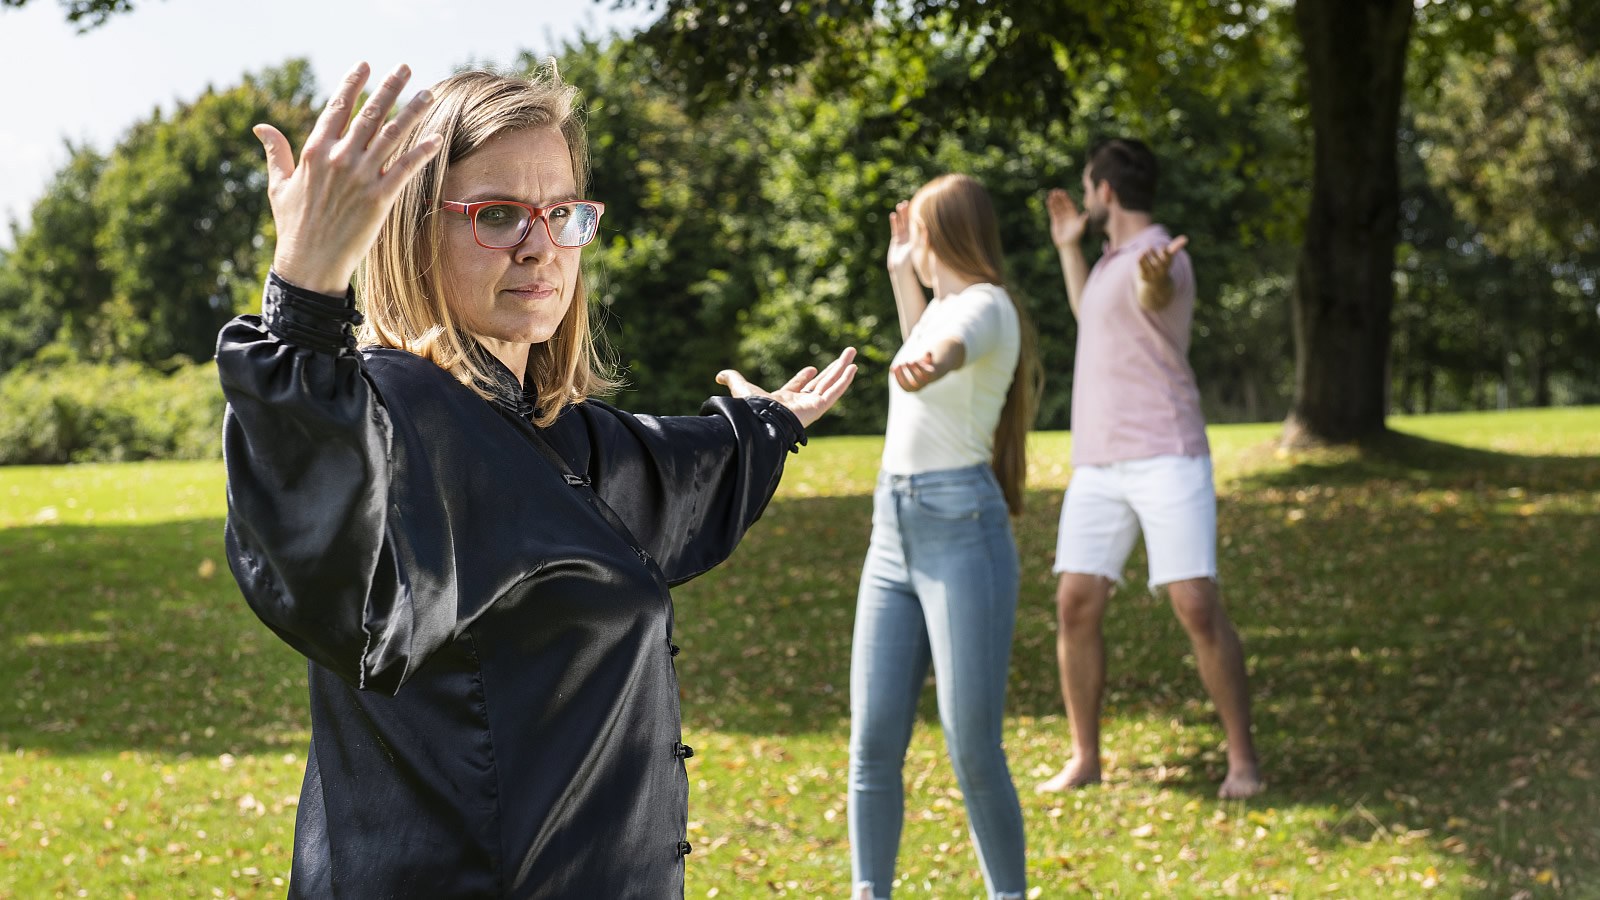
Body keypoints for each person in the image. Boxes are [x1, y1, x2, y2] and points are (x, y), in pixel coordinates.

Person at [215, 61, 856, 897]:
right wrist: (302, 293)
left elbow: (668, 473)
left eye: (561, 213)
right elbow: (327, 552)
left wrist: (765, 425)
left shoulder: (550, 435)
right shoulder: (403, 413)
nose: (539, 245)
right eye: (496, 215)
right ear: (413, 229)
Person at [1036, 138, 1263, 800]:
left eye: (1087, 188)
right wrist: (1067, 246)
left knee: (1195, 604)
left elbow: (1154, 291)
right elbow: (1091, 316)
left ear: (1106, 190)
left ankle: (1243, 760)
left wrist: (1156, 276)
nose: (1084, 199)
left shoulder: (1163, 257)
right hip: (1099, 463)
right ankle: (1086, 757)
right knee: (1075, 603)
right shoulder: (1107, 263)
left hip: (1167, 452)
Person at [848, 174, 1041, 900]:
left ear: (942, 236)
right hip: (891, 533)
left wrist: (933, 360)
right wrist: (902, 276)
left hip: (962, 531)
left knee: (973, 747)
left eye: (917, 235)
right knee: (872, 743)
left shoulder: (986, 308)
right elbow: (923, 339)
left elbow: (951, 348)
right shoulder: (938, 308)